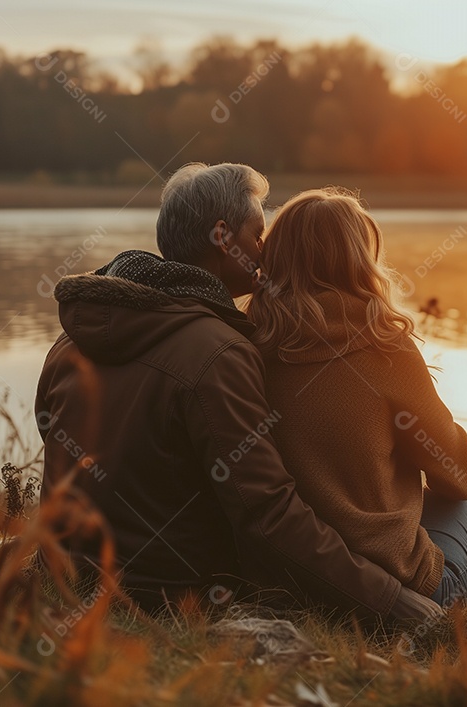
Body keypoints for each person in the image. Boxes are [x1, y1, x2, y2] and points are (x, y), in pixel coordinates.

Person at [35, 163, 441, 622]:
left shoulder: (69, 342)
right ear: (223, 237)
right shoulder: (219, 353)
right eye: (257, 234)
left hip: (71, 576)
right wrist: (389, 599)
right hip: (174, 595)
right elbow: (268, 515)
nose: (265, 251)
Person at [246, 187, 467, 621]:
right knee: (458, 501)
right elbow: (461, 478)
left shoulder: (251, 348)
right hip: (409, 596)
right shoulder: (384, 348)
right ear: (357, 261)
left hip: (303, 581)